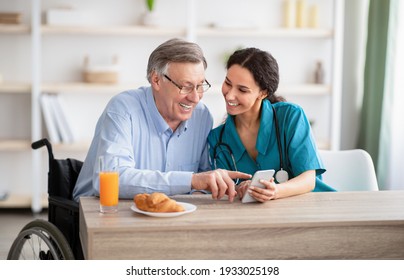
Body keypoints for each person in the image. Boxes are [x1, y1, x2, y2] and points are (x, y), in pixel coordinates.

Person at [73, 38, 251, 203]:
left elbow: (204, 176)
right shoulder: (123, 109)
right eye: (186, 86)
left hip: (162, 216)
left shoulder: (201, 115)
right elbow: (112, 179)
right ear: (156, 79)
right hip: (99, 210)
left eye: (199, 86)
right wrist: (192, 181)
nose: (195, 98)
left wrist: (205, 189)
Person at [207, 47, 335, 203]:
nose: (230, 94)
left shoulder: (290, 116)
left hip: (314, 206)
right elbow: (227, 192)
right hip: (260, 219)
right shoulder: (218, 139)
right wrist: (241, 190)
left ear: (263, 93)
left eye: (242, 89)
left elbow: (309, 180)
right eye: (228, 83)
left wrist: (275, 191)